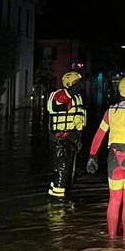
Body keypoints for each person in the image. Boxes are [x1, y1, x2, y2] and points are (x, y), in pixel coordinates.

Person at [86, 74, 125, 239]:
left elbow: (99, 135)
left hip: (113, 159)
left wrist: (92, 155)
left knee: (114, 200)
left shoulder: (110, 112)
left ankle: (111, 239)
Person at [46, 70, 86, 199]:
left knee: (70, 174)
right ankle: (57, 203)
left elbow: (79, 120)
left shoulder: (77, 98)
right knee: (61, 170)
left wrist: (78, 137)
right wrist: (72, 90)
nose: (79, 86)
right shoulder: (59, 95)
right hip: (60, 140)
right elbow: (60, 101)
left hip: (72, 139)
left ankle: (64, 197)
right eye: (76, 83)